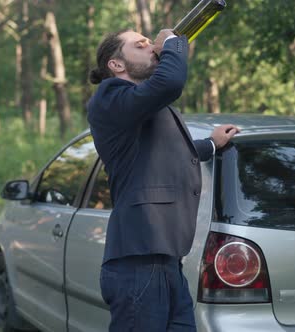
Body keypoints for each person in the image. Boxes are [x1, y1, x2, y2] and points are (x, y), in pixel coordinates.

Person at [86, 28, 239, 332]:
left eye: (150, 43)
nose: (150, 47)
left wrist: (210, 145)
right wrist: (171, 42)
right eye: (140, 45)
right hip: (138, 262)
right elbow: (170, 81)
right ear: (117, 65)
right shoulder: (109, 97)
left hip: (167, 260)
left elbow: (165, 157)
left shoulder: (140, 108)